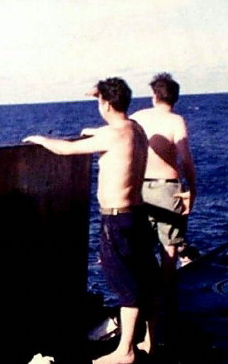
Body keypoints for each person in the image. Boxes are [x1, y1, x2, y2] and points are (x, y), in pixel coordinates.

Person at [24, 77, 155, 364]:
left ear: (105, 104)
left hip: (117, 221)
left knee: (126, 286)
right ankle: (150, 340)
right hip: (136, 215)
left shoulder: (112, 135)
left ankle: (126, 352)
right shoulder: (135, 129)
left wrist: (41, 139)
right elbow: (113, 134)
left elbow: (66, 150)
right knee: (144, 280)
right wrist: (99, 112)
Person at [129, 72, 197, 346]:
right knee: (170, 249)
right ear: (175, 97)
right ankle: (166, 302)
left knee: (142, 249)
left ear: (154, 95)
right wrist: (192, 188)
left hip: (138, 188)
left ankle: (144, 305)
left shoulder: (138, 118)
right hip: (168, 189)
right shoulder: (176, 121)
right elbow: (185, 159)